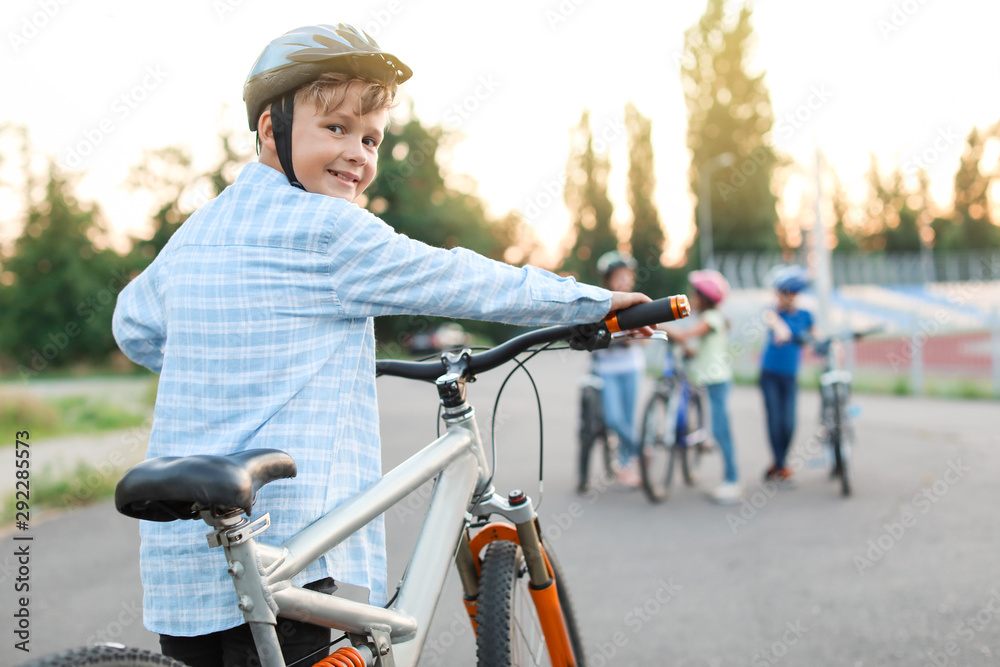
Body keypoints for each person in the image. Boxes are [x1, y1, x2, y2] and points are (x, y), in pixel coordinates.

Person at [112, 24, 651, 666]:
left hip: (182, 569)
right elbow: (456, 278)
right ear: (268, 130)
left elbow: (133, 326)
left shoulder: (195, 232)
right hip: (285, 539)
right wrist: (588, 303)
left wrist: (219, 355)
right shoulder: (329, 229)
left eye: (371, 139)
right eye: (335, 129)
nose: (359, 154)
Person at [660, 270, 740, 504]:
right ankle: (716, 461)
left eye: (694, 295)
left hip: (718, 382)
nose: (691, 299)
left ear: (705, 298)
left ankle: (732, 481)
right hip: (711, 381)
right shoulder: (711, 318)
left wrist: (657, 325)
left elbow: (686, 334)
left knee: (722, 431)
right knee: (717, 427)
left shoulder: (712, 318)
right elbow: (699, 348)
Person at [588, 251, 647, 489]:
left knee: (629, 419)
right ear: (608, 281)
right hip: (607, 370)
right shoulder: (600, 305)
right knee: (614, 419)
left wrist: (633, 336)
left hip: (631, 367)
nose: (624, 282)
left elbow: (644, 337)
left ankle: (626, 465)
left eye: (627, 277)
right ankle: (641, 450)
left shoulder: (636, 304)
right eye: (618, 277)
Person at [758, 265, 815, 485]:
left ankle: (779, 464)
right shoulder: (772, 312)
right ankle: (781, 466)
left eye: (794, 292)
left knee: (789, 422)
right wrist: (781, 329)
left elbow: (816, 336)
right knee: (774, 420)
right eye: (786, 292)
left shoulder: (806, 315)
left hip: (790, 376)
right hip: (769, 374)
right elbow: (773, 322)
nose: (790, 296)